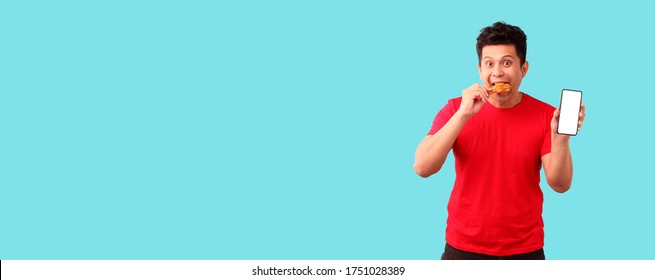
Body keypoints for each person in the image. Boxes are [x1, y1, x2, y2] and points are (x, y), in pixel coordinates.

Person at [413, 21, 586, 260]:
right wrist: (463, 115)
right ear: (479, 69)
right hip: (463, 247)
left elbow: (560, 184)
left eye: (507, 62)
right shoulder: (456, 108)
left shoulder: (547, 115)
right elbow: (422, 167)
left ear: (523, 69)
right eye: (489, 63)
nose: (497, 72)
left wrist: (561, 139)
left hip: (525, 251)